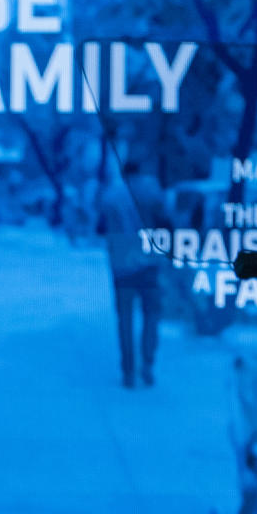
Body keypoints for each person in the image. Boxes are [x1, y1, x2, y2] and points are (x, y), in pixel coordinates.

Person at [98, 162, 166, 387]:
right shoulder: (153, 192)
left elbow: (99, 227)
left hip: (121, 264)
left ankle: (128, 371)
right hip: (148, 262)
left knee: (125, 318)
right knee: (151, 315)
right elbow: (166, 222)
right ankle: (147, 363)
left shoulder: (110, 196)